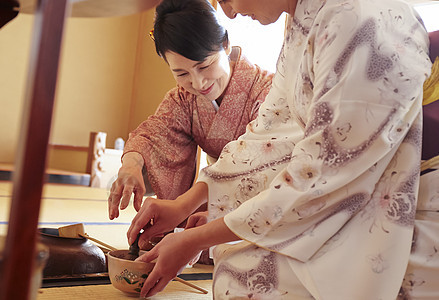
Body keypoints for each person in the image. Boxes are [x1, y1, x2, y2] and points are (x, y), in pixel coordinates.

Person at [127, 0, 436, 298]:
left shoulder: (353, 19)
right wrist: (184, 203)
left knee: (246, 280)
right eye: (181, 74)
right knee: (236, 268)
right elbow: (266, 135)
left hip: (388, 193)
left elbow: (317, 173)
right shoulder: (303, 23)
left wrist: (196, 238)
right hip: (298, 191)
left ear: (224, 47)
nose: (230, 13)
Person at [107, 0, 273, 221]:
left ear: (225, 44)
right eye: (181, 74)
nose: (198, 83)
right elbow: (153, 135)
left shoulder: (267, 92)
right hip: (210, 200)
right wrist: (130, 166)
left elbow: (267, 166)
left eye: (204, 66)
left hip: (259, 207)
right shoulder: (183, 100)